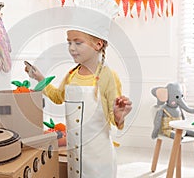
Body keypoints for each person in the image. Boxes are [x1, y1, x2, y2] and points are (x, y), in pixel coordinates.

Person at [25, 28, 132, 177]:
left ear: (98, 44)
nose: (71, 48)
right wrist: (40, 78)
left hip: (98, 159)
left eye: (78, 43)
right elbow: (58, 97)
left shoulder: (108, 76)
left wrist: (119, 116)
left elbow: (115, 120)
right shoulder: (72, 74)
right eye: (69, 43)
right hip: (75, 157)